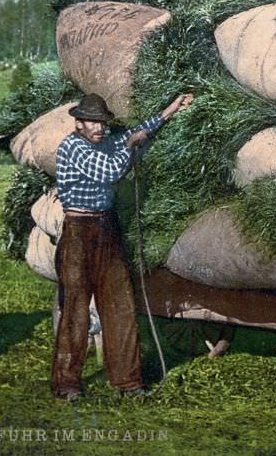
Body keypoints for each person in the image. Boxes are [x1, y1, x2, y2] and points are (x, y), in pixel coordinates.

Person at [51, 91, 193, 400]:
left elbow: (137, 131)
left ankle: (128, 382)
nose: (99, 128)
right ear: (79, 123)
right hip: (78, 232)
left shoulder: (106, 142)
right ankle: (67, 384)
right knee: (75, 308)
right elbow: (111, 172)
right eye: (92, 123)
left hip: (106, 229)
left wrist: (171, 109)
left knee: (120, 304)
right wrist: (130, 146)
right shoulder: (73, 147)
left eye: (102, 123)